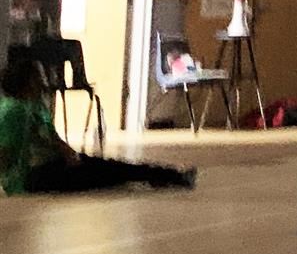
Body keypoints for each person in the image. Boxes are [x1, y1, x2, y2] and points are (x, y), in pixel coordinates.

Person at [2, 60, 196, 195]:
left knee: (109, 166)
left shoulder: (34, 105)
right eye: (39, 77)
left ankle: (167, 175)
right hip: (34, 177)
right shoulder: (15, 111)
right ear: (28, 81)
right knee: (107, 172)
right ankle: (169, 176)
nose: (44, 81)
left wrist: (68, 153)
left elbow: (50, 138)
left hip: (52, 163)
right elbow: (6, 151)